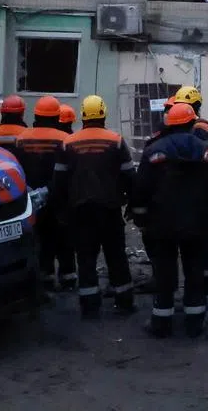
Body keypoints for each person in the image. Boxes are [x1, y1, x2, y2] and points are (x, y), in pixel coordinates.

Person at [132, 102, 208, 338]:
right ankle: (195, 323)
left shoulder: (154, 150)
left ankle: (161, 323)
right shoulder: (205, 150)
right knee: (194, 272)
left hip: (162, 223)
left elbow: (141, 187)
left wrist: (140, 216)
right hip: (196, 223)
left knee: (165, 273)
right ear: (192, 123)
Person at [53, 95, 136, 318]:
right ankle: (125, 302)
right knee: (116, 256)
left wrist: (60, 210)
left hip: (80, 211)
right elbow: (130, 176)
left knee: (86, 259)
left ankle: (90, 307)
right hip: (109, 209)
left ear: (83, 115)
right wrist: (133, 203)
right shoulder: (116, 141)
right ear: (104, 114)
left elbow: (59, 182)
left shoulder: (68, 143)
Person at [14, 96, 77, 292]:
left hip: (31, 197)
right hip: (58, 197)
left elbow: (18, 168)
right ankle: (68, 278)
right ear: (57, 116)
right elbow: (69, 170)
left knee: (39, 238)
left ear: (36, 115)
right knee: (63, 238)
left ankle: (44, 277)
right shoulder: (64, 139)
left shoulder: (22, 137)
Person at [166, 85, 208, 295]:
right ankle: (201, 288)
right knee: (198, 246)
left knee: (194, 247)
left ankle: (198, 291)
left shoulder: (198, 130)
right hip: (205, 194)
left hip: (198, 196)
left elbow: (197, 164)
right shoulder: (204, 127)